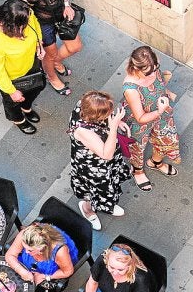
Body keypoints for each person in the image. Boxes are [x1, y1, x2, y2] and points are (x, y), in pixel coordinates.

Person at [68, 90, 131, 230]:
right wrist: (113, 126)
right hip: (93, 167)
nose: (111, 113)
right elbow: (106, 154)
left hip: (102, 162)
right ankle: (87, 209)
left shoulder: (83, 106)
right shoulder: (83, 131)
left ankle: (105, 205)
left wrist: (115, 121)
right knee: (94, 190)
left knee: (107, 186)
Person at [0, 0, 46, 135]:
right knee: (12, 101)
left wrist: (39, 44)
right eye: (21, 26)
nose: (25, 28)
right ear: (9, 25)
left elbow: (36, 26)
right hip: (8, 75)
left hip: (28, 62)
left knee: (38, 85)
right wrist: (11, 91)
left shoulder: (25, 14)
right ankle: (17, 119)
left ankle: (26, 107)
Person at [122, 45, 179, 193]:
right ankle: (138, 171)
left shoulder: (153, 65)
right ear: (136, 68)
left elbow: (159, 82)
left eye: (155, 68)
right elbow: (140, 118)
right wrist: (159, 111)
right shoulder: (131, 88)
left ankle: (155, 162)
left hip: (161, 113)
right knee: (137, 147)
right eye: (148, 72)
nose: (153, 73)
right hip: (140, 120)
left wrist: (167, 92)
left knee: (166, 139)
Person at [24, 0, 81, 94]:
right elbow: (20, 7)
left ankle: (56, 62)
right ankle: (52, 77)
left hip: (60, 17)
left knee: (75, 46)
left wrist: (67, 5)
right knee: (50, 55)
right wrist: (34, 36)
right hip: (43, 24)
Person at [5, 222, 79, 289]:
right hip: (28, 267)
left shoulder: (60, 252)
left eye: (30, 250)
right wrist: (21, 271)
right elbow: (10, 255)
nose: (26, 252)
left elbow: (67, 271)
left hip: (51, 272)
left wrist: (45, 277)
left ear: (42, 248)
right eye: (25, 248)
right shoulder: (26, 235)